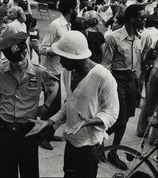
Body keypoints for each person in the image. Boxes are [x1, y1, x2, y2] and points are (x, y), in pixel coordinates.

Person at [26, 30, 119, 178]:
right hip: (71, 141)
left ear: (75, 57)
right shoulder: (68, 72)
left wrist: (89, 122)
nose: (60, 62)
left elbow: (112, 113)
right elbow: (68, 105)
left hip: (89, 146)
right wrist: (49, 122)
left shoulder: (103, 77)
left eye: (63, 58)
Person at [0, 32, 59, 178]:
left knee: (30, 172)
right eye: (14, 61)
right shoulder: (0, 71)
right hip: (4, 131)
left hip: (28, 131)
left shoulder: (38, 72)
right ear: (8, 59)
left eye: (21, 59)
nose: (19, 63)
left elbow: (54, 86)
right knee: (6, 172)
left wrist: (45, 106)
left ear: (26, 52)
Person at [102, 4, 146, 170]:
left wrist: (138, 81)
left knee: (126, 119)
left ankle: (113, 152)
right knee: (119, 119)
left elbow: (139, 61)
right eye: (141, 17)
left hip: (132, 81)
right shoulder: (114, 37)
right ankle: (99, 144)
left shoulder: (139, 37)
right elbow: (106, 65)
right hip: (117, 80)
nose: (144, 20)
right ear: (132, 19)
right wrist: (111, 88)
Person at [39, 0, 78, 150]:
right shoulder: (55, 25)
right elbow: (43, 49)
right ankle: (41, 137)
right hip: (49, 71)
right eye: (75, 9)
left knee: (56, 106)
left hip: (59, 69)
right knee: (51, 106)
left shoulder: (68, 25)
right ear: (70, 10)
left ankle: (48, 134)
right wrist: (60, 49)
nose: (76, 11)